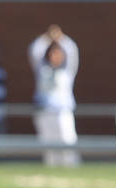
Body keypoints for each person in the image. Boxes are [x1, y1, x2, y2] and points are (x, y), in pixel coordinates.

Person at [29, 25, 80, 167]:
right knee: (48, 142)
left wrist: (60, 38)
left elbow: (72, 51)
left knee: (67, 139)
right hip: (44, 110)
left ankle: (70, 166)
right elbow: (35, 50)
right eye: (53, 53)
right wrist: (46, 37)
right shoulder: (42, 69)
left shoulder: (67, 72)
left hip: (63, 110)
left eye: (58, 53)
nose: (55, 56)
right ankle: (51, 167)